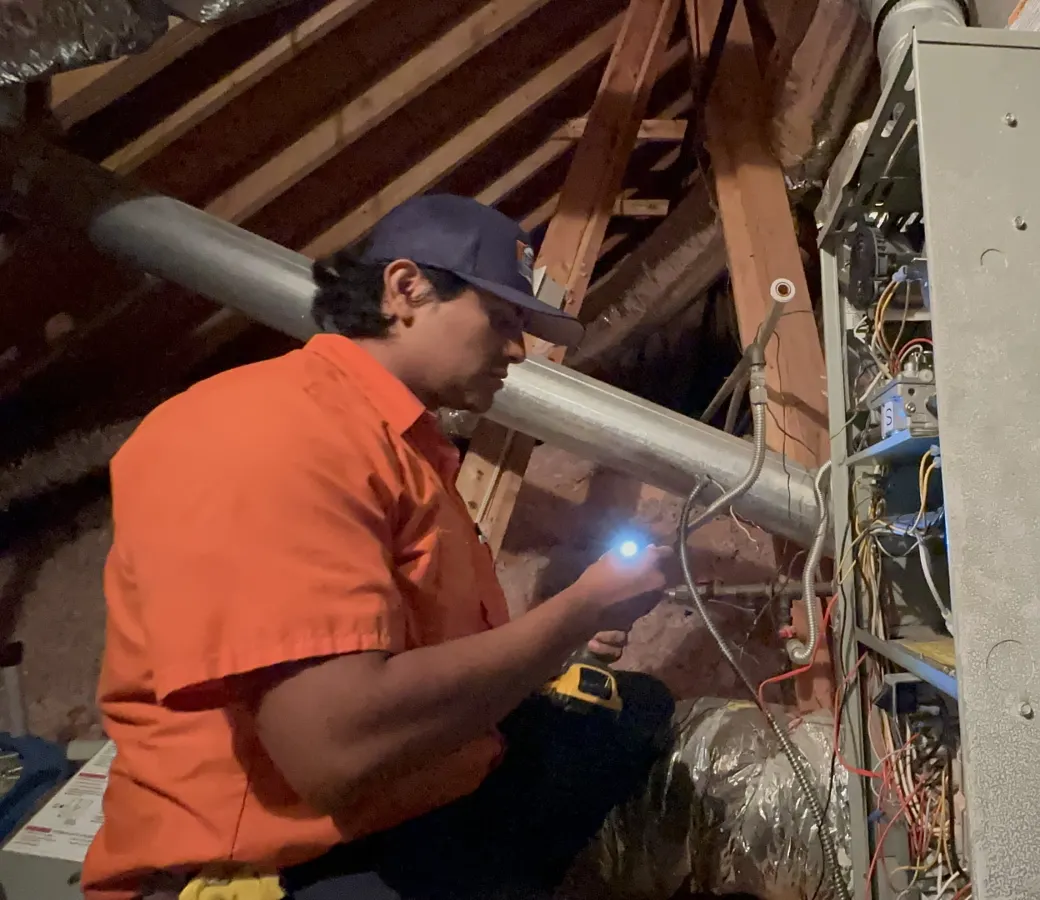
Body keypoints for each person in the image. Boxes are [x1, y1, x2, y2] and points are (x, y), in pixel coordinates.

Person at [82, 195, 677, 900]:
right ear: (406, 289)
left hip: (415, 790)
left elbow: (404, 646)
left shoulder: (393, 442)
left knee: (635, 712)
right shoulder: (271, 434)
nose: (519, 350)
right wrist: (577, 612)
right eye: (504, 319)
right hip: (289, 857)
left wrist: (564, 633)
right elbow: (335, 750)